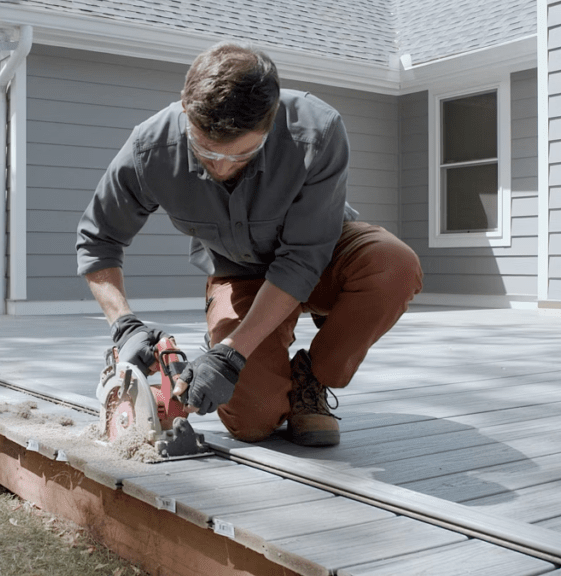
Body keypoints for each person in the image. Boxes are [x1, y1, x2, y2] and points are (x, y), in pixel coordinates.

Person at [76, 41, 423, 446]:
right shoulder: (150, 148)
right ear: (185, 111)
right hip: (238, 272)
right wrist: (124, 324)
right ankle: (241, 354)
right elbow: (98, 238)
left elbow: (302, 259)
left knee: (393, 265)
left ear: (270, 122)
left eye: (242, 154)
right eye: (204, 150)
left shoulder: (317, 131)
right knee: (254, 422)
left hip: (320, 258)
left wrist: (232, 352)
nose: (221, 167)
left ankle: (311, 378)